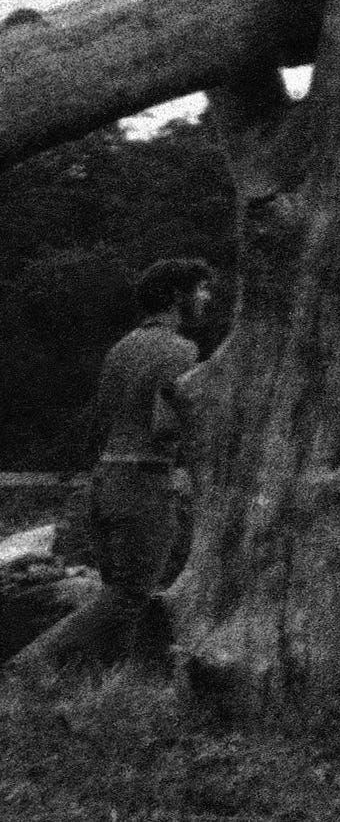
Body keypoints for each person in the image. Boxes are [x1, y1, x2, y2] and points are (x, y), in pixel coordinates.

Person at [11, 259, 212, 675]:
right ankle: (23, 669)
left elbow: (100, 424)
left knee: (117, 598)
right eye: (201, 289)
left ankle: (101, 687)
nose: (207, 298)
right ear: (178, 296)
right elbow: (164, 425)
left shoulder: (122, 347)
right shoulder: (181, 350)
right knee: (128, 596)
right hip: (142, 481)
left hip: (103, 481)